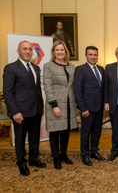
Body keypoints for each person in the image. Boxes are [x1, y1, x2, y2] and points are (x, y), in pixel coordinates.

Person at [3, 41, 45, 176]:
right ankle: (21, 163)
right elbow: (8, 92)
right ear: (18, 51)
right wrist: (14, 112)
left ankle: (33, 159)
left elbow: (37, 89)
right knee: (20, 139)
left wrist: (41, 107)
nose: (28, 51)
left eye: (30, 49)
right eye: (25, 49)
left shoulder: (36, 68)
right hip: (20, 112)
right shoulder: (11, 68)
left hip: (36, 110)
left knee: (34, 137)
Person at [43, 40, 77, 170]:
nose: (60, 52)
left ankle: (64, 154)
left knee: (66, 130)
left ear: (65, 51)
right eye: (57, 50)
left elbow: (73, 85)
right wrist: (54, 105)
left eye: (62, 50)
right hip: (55, 104)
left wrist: (76, 103)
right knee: (55, 131)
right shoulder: (48, 66)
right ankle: (56, 157)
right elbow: (48, 86)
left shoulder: (71, 66)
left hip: (69, 103)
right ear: (53, 52)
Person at [74, 46, 105, 166]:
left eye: (95, 55)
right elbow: (78, 91)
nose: (93, 57)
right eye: (90, 54)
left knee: (97, 132)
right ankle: (84, 155)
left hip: (99, 107)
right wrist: (83, 108)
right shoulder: (80, 69)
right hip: (87, 108)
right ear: (86, 55)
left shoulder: (101, 69)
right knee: (86, 133)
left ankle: (94, 152)